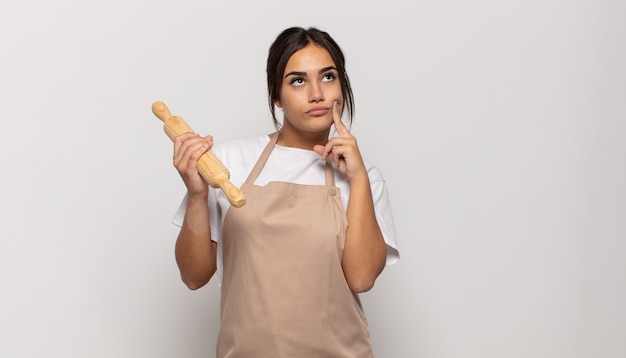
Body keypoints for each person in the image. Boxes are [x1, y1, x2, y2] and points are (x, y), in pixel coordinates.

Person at [170, 26, 399, 357]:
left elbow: (361, 278)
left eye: (328, 77)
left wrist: (359, 178)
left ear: (342, 87)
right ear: (276, 95)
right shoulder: (229, 161)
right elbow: (193, 276)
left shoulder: (365, 179)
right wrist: (196, 196)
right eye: (298, 80)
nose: (317, 93)